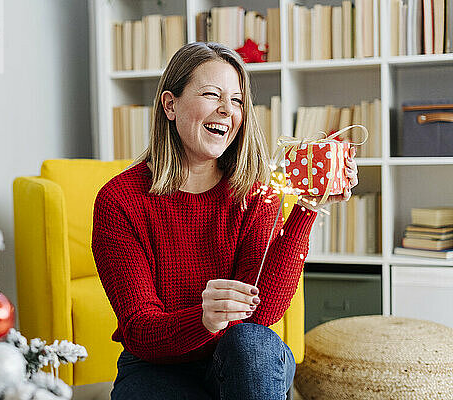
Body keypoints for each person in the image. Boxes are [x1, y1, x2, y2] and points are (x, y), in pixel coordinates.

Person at [92, 42, 358, 400]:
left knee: (251, 345)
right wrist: (203, 318)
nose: (226, 110)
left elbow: (264, 313)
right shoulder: (120, 200)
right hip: (158, 363)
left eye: (236, 101)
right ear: (170, 105)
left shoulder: (254, 194)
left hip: (240, 358)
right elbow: (140, 329)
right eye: (211, 94)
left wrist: (309, 205)